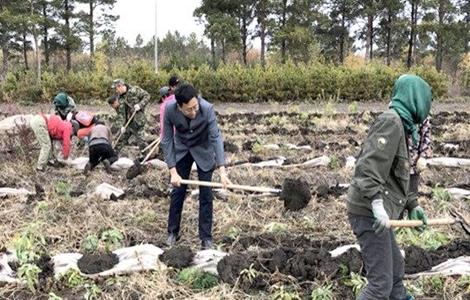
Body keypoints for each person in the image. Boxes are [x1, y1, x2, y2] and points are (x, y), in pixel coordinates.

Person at [346, 74, 432, 300]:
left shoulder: (404, 127)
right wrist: (376, 205)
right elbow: (368, 168)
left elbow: (400, 174)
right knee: (380, 285)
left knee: (395, 273)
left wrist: (413, 204)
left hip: (378, 211)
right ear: (416, 99)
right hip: (368, 213)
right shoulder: (390, 122)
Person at [161, 83, 231, 250]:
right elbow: (167, 140)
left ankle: (206, 237)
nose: (193, 112)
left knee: (206, 195)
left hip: (203, 150)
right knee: (178, 192)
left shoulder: (206, 109)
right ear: (179, 106)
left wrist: (222, 170)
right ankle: (172, 232)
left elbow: (216, 138)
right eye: (188, 110)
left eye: (195, 108)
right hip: (182, 150)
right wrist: (173, 171)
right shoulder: (169, 110)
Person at [109, 78, 150, 150]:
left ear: (120, 86)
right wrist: (122, 126)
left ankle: (146, 159)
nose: (116, 91)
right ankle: (114, 158)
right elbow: (121, 114)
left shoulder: (134, 90)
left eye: (116, 88)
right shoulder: (119, 98)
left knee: (142, 143)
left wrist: (140, 105)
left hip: (138, 122)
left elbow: (147, 96)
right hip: (128, 124)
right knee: (119, 141)